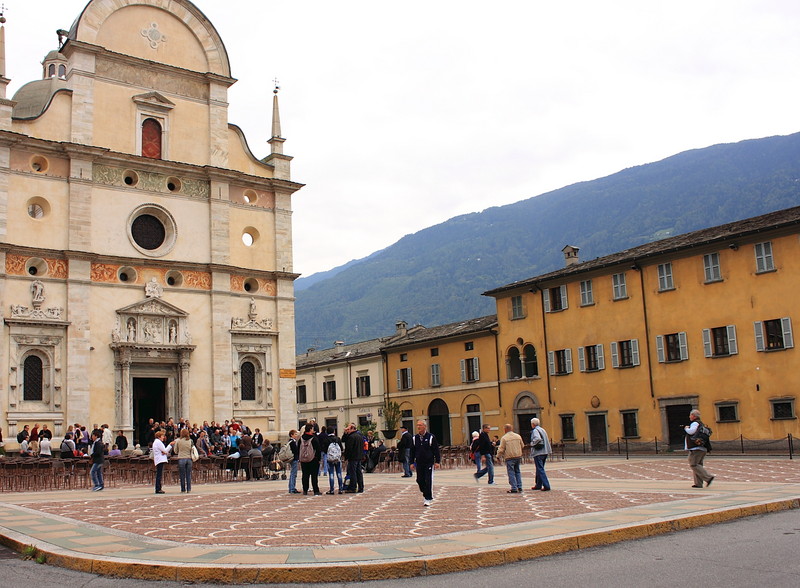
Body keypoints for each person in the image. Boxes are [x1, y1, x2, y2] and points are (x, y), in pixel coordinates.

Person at [409, 420, 441, 506]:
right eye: (417, 425)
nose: (418, 427)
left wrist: (437, 461)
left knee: (428, 480)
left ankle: (428, 498)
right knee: (420, 480)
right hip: (419, 463)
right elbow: (412, 451)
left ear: (424, 426)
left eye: (420, 425)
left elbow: (436, 450)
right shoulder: (414, 438)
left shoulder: (431, 437)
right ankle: (425, 492)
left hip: (429, 463)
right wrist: (411, 462)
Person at [684, 409, 715, 488]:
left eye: (690, 415)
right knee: (698, 465)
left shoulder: (695, 423)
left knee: (693, 464)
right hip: (702, 448)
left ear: (694, 416)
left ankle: (708, 477)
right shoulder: (701, 424)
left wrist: (686, 428)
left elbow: (691, 431)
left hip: (696, 448)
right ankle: (698, 483)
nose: (689, 417)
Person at [497, 423, 524, 493]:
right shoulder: (518, 436)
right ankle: (519, 486)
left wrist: (498, 456)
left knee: (511, 472)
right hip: (518, 456)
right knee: (517, 471)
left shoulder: (504, 438)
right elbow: (522, 445)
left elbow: (501, 449)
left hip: (509, 457)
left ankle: (514, 487)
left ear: (505, 429)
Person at [299, 423, 322, 495]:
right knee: (314, 476)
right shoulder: (314, 438)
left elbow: (298, 448)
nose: (313, 430)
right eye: (312, 429)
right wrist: (318, 459)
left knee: (305, 475)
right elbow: (318, 449)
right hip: (313, 459)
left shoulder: (301, 438)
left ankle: (305, 490)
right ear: (310, 429)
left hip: (303, 459)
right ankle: (316, 490)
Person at [530, 418, 552, 491]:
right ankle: (538, 484)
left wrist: (532, 443)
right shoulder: (542, 429)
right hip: (545, 451)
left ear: (533, 424)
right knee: (539, 468)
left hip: (539, 452)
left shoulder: (535, 430)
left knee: (540, 469)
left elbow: (537, 439)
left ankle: (546, 485)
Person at [342, 423, 364, 493]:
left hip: (353, 457)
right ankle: (361, 487)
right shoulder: (360, 436)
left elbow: (349, 448)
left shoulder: (351, 437)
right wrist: (345, 433)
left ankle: (353, 487)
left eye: (348, 429)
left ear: (352, 429)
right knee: (358, 472)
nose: (347, 430)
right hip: (359, 456)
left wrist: (346, 457)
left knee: (353, 472)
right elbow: (343, 439)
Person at [173, 428, 194, 493]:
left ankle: (183, 489)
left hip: (181, 458)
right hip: (189, 458)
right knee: (188, 474)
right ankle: (189, 489)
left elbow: (175, 451)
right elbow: (192, 449)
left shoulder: (178, 441)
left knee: (182, 475)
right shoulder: (190, 441)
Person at [324, 430, 344, 494]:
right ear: (334, 432)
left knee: (331, 473)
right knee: (339, 473)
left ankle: (332, 489)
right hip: (337, 458)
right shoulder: (337, 439)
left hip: (330, 459)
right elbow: (341, 448)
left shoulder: (326, 439)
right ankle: (340, 488)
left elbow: (324, 449)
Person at [152, 430, 170, 494]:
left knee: (159, 474)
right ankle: (158, 488)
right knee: (159, 474)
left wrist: (164, 452)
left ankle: (158, 487)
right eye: (162, 436)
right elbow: (165, 450)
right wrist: (170, 445)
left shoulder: (156, 442)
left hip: (159, 459)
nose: (163, 437)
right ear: (159, 436)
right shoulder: (158, 442)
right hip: (160, 459)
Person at [287, 429, 300, 494]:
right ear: (291, 435)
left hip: (293, 458)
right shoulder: (292, 442)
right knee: (293, 474)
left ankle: (291, 487)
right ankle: (292, 488)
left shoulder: (291, 441)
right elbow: (295, 451)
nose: (296, 435)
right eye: (295, 434)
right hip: (294, 458)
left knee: (293, 473)